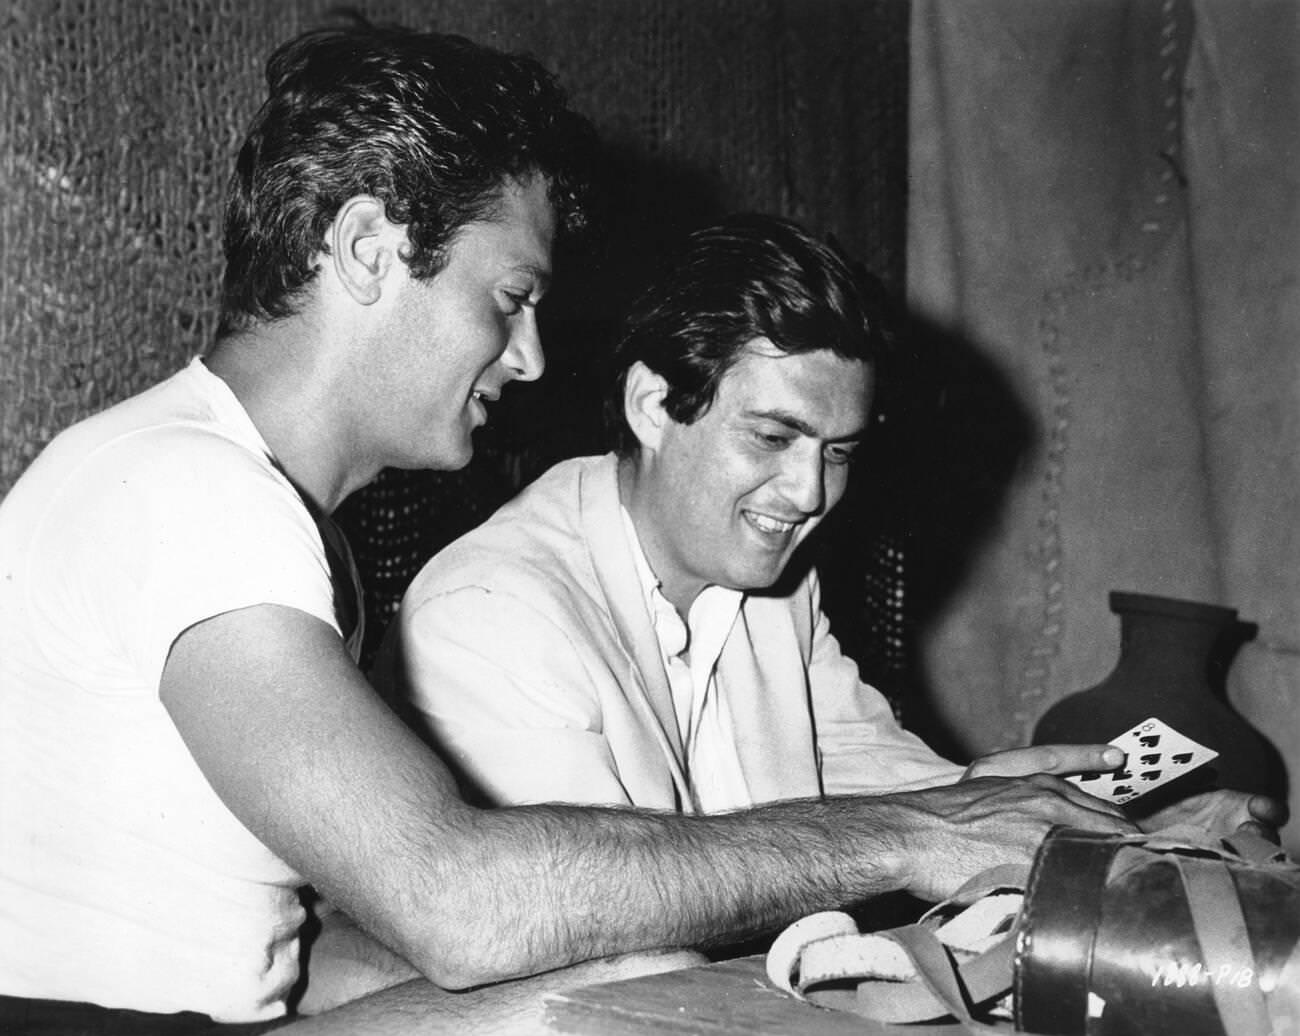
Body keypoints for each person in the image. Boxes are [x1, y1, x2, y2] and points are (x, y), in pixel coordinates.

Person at [0, 20, 1163, 1036]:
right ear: (366, 250)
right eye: (508, 299)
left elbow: (295, 953)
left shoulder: (246, 504)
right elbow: (457, 900)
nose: (533, 356)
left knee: (637, 985)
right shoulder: (193, 492)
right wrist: (904, 836)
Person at [373, 214, 1281, 827]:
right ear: (653, 406)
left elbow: (862, 765)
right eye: (773, 435)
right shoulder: (492, 613)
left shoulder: (777, 587)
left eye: (838, 451)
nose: (809, 492)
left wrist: (1026, 809)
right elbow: (612, 931)